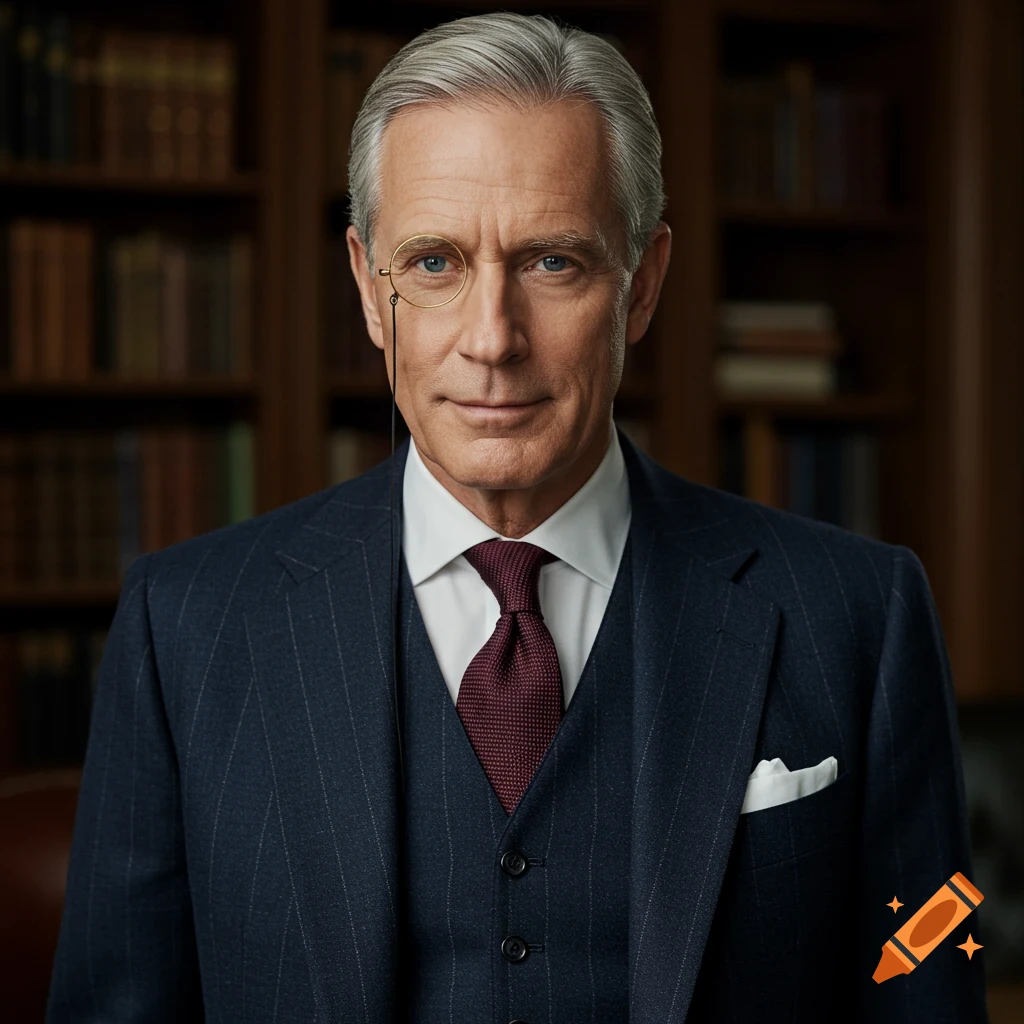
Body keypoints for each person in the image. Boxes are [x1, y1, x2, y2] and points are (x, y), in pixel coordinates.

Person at [47, 12, 987, 1023]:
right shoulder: (185, 624)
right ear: (371, 289)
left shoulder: (859, 612)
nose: (491, 340)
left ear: (643, 283)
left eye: (553, 263)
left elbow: (927, 968)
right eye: (436, 264)